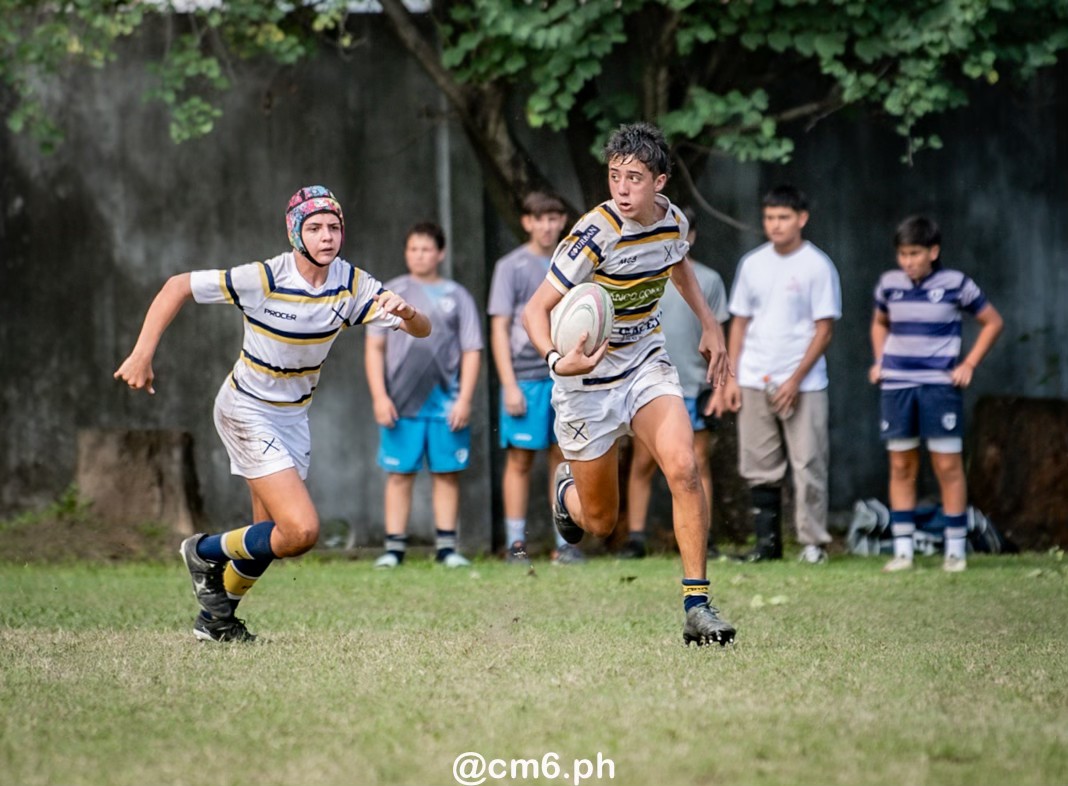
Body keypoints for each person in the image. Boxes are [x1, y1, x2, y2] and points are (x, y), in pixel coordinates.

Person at [114, 185, 430, 642]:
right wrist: (143, 353)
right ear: (295, 233)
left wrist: (409, 311)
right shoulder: (263, 278)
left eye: (334, 227)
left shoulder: (352, 284)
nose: (327, 236)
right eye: (315, 227)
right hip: (245, 409)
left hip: (293, 417)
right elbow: (177, 286)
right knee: (300, 531)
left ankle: (215, 621)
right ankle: (202, 550)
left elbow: (422, 330)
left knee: (266, 536)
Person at [523, 121, 736, 646]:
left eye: (634, 178)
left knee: (685, 468)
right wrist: (556, 360)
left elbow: (677, 262)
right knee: (599, 522)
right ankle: (566, 493)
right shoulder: (592, 235)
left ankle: (697, 605)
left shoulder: (673, 221)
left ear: (659, 183)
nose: (621, 188)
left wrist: (710, 325)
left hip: (645, 364)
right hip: (587, 381)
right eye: (614, 176)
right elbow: (535, 309)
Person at [870, 215, 1003, 573]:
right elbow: (880, 322)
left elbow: (992, 321)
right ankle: (903, 550)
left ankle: (956, 549)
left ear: (933, 251)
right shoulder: (889, 284)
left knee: (947, 464)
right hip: (896, 387)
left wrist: (969, 364)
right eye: (902, 254)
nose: (908, 261)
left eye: (914, 253)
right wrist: (880, 361)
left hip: (940, 387)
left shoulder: (956, 284)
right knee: (901, 464)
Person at [718, 185, 841, 564]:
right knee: (759, 464)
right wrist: (732, 377)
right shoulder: (753, 263)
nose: (775, 225)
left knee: (808, 462)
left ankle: (812, 543)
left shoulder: (817, 266)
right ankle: (766, 546)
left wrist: (795, 379)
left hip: (804, 382)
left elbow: (824, 330)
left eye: (784, 217)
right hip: (755, 376)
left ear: (801, 219)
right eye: (770, 217)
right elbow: (739, 322)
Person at [366, 222, 482, 569]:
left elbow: (472, 349)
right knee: (399, 474)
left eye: (427, 249)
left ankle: (447, 548)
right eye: (413, 249)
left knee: (447, 473)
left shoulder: (457, 295)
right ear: (406, 253)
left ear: (440, 253)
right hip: (401, 406)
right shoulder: (390, 294)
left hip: (447, 405)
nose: (420, 255)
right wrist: (379, 397)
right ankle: (393, 549)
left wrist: (464, 400)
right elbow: (374, 348)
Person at [623, 208, 730, 559]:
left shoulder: (709, 280)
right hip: (651, 387)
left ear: (691, 237)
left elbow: (718, 336)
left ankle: (704, 536)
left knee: (697, 462)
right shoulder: (640, 275)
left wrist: (720, 387)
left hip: (695, 386)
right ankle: (635, 538)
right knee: (643, 461)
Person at [487, 191, 586, 565]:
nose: (547, 226)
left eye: (553, 218)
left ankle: (566, 545)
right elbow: (499, 328)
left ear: (562, 222)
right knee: (520, 460)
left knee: (562, 459)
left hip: (565, 376)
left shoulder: (575, 264)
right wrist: (509, 384)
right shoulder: (510, 267)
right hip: (524, 379)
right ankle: (517, 545)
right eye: (539, 219)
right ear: (527, 222)